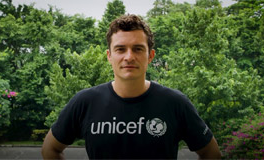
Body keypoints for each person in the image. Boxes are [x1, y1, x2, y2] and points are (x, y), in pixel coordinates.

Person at [42, 14, 221, 159]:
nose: (129, 56)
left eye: (137, 49)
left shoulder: (174, 103)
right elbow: (50, 149)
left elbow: (211, 153)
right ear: (109, 56)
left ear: (150, 56)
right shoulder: (85, 102)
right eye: (120, 49)